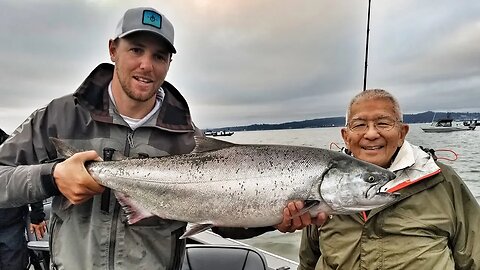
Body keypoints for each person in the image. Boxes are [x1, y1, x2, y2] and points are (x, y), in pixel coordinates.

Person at [0, 7, 317, 269]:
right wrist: (53, 176)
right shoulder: (60, 115)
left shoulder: (187, 138)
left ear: (169, 63)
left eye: (159, 56)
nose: (146, 65)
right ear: (113, 49)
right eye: (136, 50)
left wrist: (273, 219)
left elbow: (220, 220)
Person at [298, 89, 480, 270]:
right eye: (359, 125)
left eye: (383, 123)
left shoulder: (443, 181)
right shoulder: (319, 183)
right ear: (346, 136)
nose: (370, 134)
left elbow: (475, 257)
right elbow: (308, 262)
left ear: (402, 133)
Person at [0, 128, 46, 270]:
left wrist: (37, 216)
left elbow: (30, 178)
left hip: (10, 224)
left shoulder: (14, 147)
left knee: (13, 265)